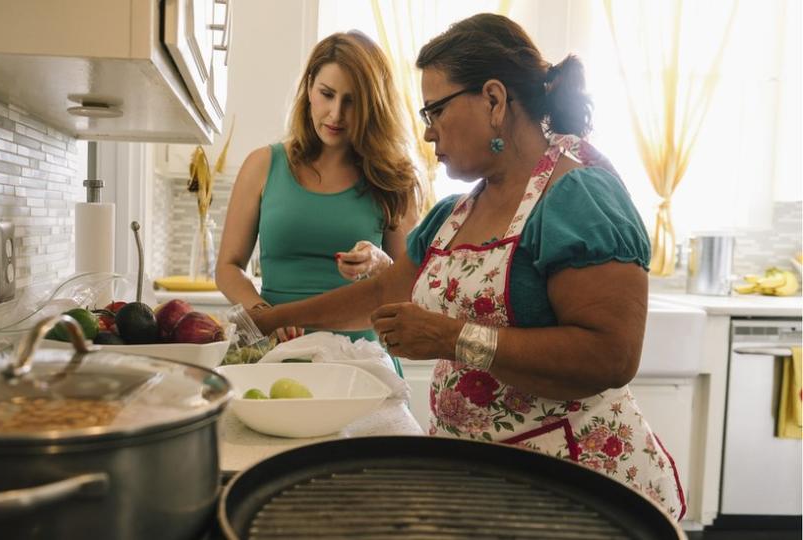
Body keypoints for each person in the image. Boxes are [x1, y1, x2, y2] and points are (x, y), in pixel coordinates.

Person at [247, 13, 685, 520]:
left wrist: (453, 338)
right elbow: (381, 293)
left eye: (434, 110)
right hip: (490, 484)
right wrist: (271, 320)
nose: (428, 133)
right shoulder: (454, 214)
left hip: (578, 487)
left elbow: (611, 355)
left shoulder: (578, 197)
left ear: (494, 101)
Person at [216, 31, 421, 364]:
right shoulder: (262, 165)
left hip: (359, 361)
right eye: (327, 94)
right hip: (274, 351)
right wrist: (264, 315)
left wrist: (378, 262)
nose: (336, 114)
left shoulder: (393, 178)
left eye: (351, 101)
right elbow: (228, 267)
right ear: (310, 87)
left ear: (372, 105)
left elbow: (408, 286)